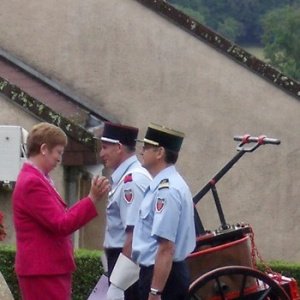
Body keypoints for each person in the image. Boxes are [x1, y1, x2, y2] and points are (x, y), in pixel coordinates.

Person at [12, 122, 110, 300]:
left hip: (46, 269)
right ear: (44, 149)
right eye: (58, 152)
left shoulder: (38, 179)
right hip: (43, 270)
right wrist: (91, 200)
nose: (59, 159)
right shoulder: (32, 183)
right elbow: (61, 223)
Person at [132, 123, 196, 300]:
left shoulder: (166, 191)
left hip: (163, 278)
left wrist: (155, 292)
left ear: (160, 153)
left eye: (146, 148)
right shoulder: (165, 185)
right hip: (161, 273)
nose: (141, 152)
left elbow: (166, 247)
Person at [99, 122, 152, 300]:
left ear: (119, 147)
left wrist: (118, 284)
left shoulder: (132, 180)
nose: (101, 154)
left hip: (128, 268)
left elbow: (134, 234)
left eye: (105, 147)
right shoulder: (127, 177)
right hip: (122, 263)